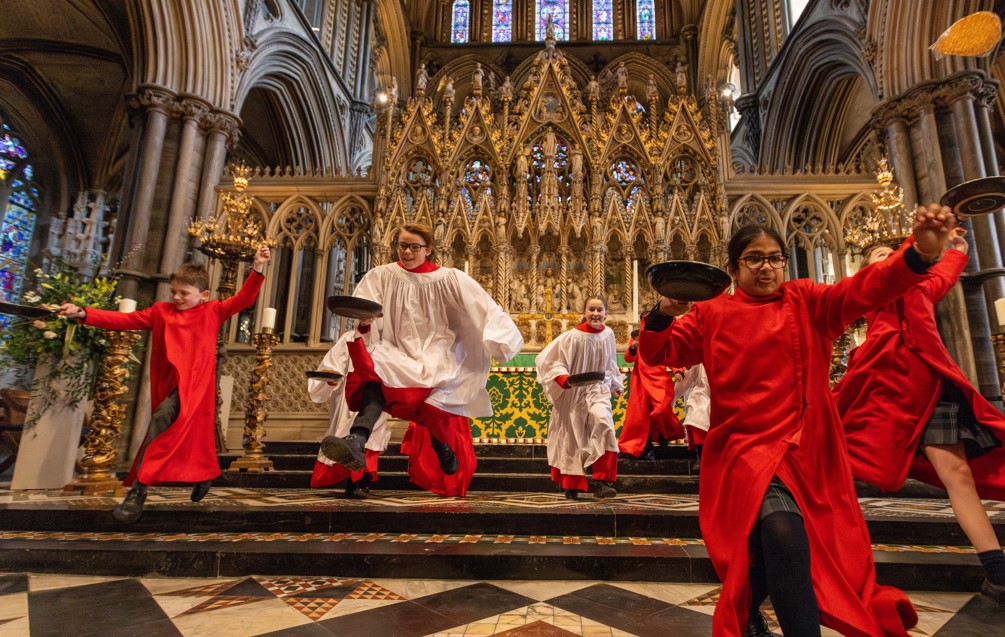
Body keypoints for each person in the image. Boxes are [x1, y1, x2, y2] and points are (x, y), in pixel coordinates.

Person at [639, 204, 956, 637]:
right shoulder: (712, 313)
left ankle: (748, 612)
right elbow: (660, 353)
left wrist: (919, 254)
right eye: (754, 258)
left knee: (772, 546)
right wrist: (661, 313)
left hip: (807, 449)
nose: (766, 267)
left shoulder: (808, 301)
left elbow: (866, 288)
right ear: (733, 268)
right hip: (746, 450)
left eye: (774, 258)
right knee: (784, 534)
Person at [835, 230, 1005, 601]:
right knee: (838, 464)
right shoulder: (871, 290)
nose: (888, 257)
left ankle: (997, 572)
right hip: (884, 396)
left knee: (958, 477)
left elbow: (941, 273)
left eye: (890, 253)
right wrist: (923, 237)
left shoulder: (922, 286)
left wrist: (955, 249)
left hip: (930, 389)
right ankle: (832, 562)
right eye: (879, 255)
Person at [59, 244, 272, 523]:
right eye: (174, 291)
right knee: (167, 430)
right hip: (171, 385)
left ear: (203, 295)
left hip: (196, 389)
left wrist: (257, 267)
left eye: (184, 293)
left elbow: (244, 299)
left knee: (177, 429)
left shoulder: (213, 311)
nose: (177, 297)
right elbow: (125, 320)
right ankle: (163, 484)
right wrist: (85, 314)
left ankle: (144, 490)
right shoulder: (161, 312)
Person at [319, 223, 523, 497]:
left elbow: (484, 307)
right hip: (396, 349)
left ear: (428, 249)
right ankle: (357, 439)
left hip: (437, 352)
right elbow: (362, 310)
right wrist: (365, 323)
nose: (407, 251)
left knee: (431, 404)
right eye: (402, 245)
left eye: (414, 246)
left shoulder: (451, 279)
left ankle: (442, 447)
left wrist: (501, 339)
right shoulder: (381, 276)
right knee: (375, 371)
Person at [536, 296, 624, 499]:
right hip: (574, 391)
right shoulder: (572, 337)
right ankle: (572, 484)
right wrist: (563, 379)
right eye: (591, 310)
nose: (595, 314)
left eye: (599, 310)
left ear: (605, 314)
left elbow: (610, 363)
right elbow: (550, 360)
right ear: (584, 312)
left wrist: (614, 384)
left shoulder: (609, 334)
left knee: (604, 424)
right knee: (573, 435)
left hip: (598, 390)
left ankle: (602, 481)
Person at [308, 330, 390, 497]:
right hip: (350, 394)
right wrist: (331, 377)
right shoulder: (349, 337)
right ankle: (352, 481)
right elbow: (334, 364)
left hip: (376, 393)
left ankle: (362, 481)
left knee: (372, 436)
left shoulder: (388, 338)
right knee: (349, 432)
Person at [620, 319, 686, 461]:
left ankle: (665, 437)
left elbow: (671, 354)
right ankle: (643, 447)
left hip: (658, 380)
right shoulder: (636, 337)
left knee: (661, 410)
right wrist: (633, 348)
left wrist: (678, 371)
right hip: (641, 382)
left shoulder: (662, 337)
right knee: (640, 416)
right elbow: (628, 358)